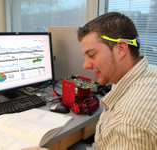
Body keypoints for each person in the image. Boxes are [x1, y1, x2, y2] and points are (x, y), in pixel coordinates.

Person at [22, 12, 157, 150]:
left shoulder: (127, 122)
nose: (85, 65)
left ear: (121, 49)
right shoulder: (148, 73)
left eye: (92, 55)